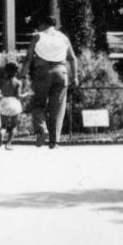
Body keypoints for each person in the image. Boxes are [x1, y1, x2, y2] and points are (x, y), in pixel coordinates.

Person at [24, 14, 78, 149]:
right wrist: (75, 77)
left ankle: (42, 130)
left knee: (38, 104)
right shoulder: (63, 37)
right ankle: (54, 142)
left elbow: (29, 57)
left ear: (42, 24)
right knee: (58, 109)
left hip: (43, 72)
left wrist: (22, 73)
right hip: (62, 72)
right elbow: (72, 58)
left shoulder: (38, 36)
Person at [0, 62, 25, 150]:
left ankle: (1, 133)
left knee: (4, 125)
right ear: (16, 72)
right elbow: (18, 95)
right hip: (14, 103)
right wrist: (26, 94)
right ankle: (8, 144)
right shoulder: (18, 82)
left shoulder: (2, 81)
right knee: (14, 126)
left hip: (5, 102)